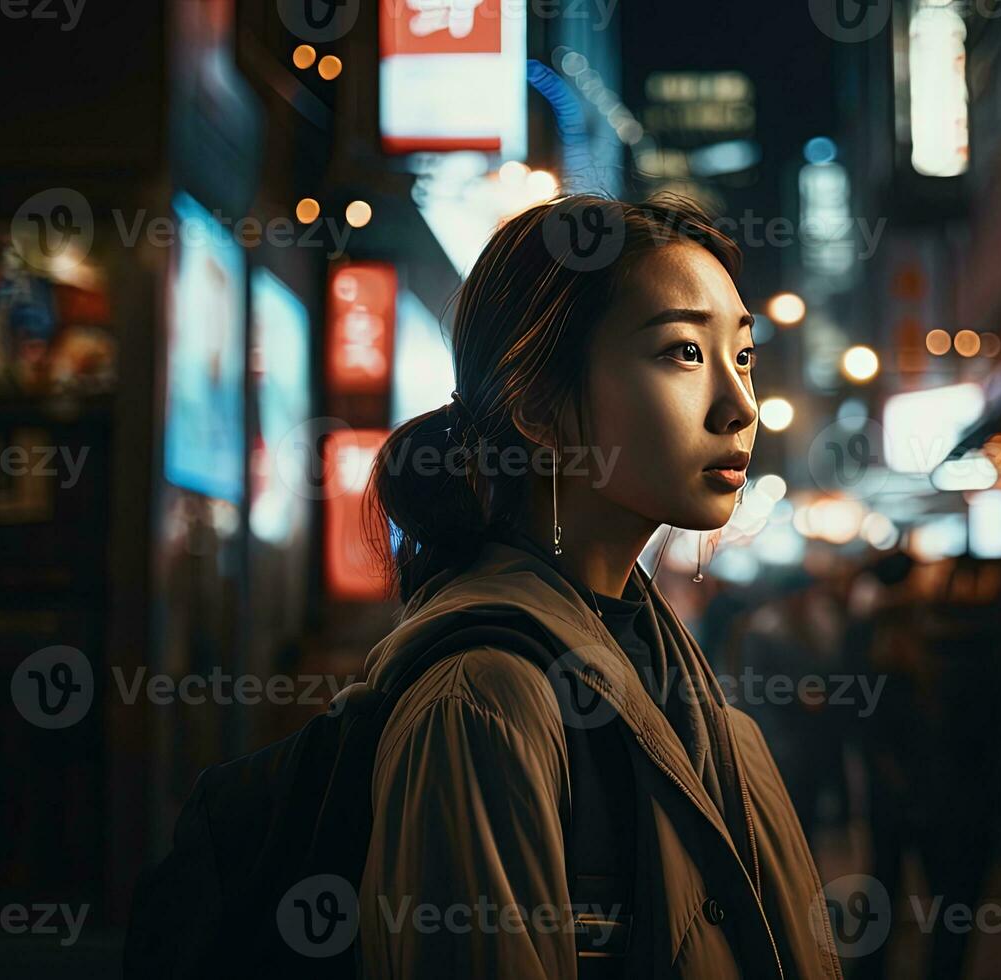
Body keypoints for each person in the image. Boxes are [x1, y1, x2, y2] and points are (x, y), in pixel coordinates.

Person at [355, 195, 844, 978]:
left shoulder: (669, 677)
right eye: (683, 352)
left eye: (743, 356)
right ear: (540, 407)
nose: (739, 406)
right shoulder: (484, 702)